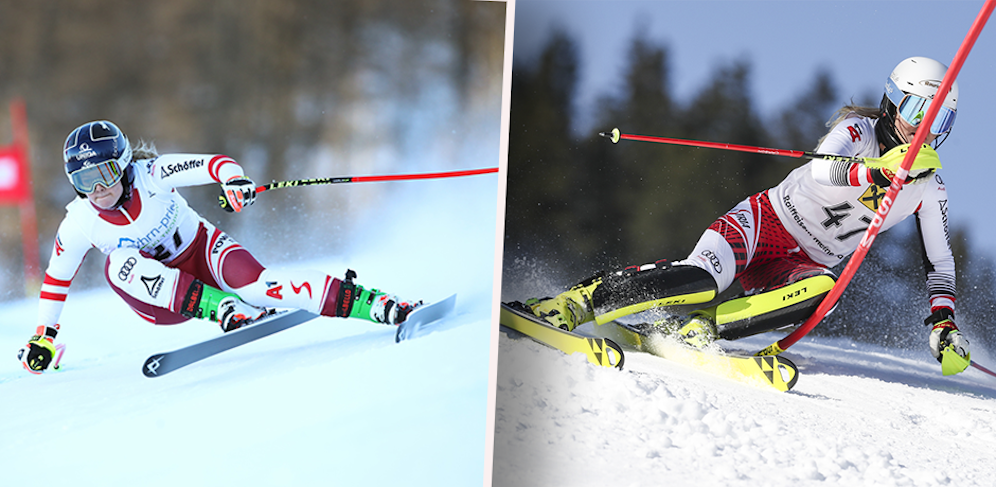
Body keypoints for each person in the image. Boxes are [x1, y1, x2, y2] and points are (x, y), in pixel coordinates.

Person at [527, 56, 970, 370]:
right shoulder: (857, 131)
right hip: (765, 223)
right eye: (918, 111)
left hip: (804, 262)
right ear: (893, 102)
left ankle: (702, 330)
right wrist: (876, 175)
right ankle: (573, 303)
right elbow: (820, 171)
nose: (925, 128)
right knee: (701, 280)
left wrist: (943, 322)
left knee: (823, 293)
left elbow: (940, 261)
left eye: (940, 120)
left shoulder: (930, 189)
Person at [17, 120, 420, 374]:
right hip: (164, 300)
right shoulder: (79, 223)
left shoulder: (153, 173)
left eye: (104, 173)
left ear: (123, 165)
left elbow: (216, 164)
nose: (99, 189)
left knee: (262, 285)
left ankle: (379, 305)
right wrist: (45, 335)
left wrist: (234, 182)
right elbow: (56, 280)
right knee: (118, 263)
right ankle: (224, 310)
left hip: (204, 252)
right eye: (85, 181)